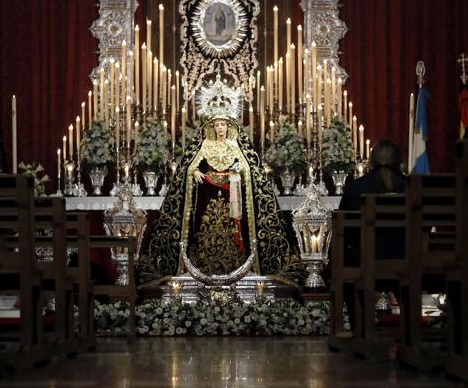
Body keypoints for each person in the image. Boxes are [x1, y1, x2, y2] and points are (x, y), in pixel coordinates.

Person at [137, 80, 304, 285]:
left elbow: (249, 168)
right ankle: (202, 262)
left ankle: (237, 262)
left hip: (231, 191)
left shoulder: (236, 145)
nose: (220, 128)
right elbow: (190, 165)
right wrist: (195, 172)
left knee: (234, 228)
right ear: (212, 127)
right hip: (207, 191)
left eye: (223, 124)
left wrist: (237, 171)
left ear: (229, 125)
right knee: (205, 226)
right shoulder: (205, 144)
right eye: (216, 124)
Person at [338, 140, 407, 328]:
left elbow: (345, 227)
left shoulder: (356, 187)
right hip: (407, 257)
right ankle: (410, 325)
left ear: (371, 161)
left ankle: (359, 324)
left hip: (365, 258)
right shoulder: (410, 186)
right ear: (399, 161)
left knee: (345, 255)